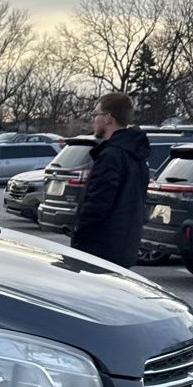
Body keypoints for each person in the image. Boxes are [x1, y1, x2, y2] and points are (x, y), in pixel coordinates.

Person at [70, 92, 151, 267]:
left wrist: (78, 232)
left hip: (100, 249)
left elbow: (98, 202)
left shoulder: (112, 155)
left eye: (95, 114)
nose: (93, 120)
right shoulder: (137, 156)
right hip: (124, 248)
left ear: (108, 118)